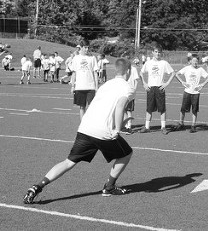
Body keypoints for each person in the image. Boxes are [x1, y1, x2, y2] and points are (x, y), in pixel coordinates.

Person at [23, 58, 135, 204]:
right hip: (102, 131)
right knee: (126, 154)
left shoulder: (105, 85)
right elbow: (120, 106)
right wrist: (118, 129)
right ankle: (109, 187)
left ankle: (36, 187)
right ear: (129, 71)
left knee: (69, 161)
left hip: (86, 126)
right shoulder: (127, 87)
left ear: (116, 70)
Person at [138, 47, 174, 135]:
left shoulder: (164, 63)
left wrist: (166, 83)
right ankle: (147, 127)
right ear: (153, 53)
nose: (158, 53)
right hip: (150, 88)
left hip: (159, 88)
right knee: (149, 108)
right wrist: (144, 83)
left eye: (159, 52)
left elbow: (173, 73)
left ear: (161, 53)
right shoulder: (148, 63)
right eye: (156, 52)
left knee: (162, 109)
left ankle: (163, 127)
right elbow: (141, 73)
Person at [175, 55, 208, 132]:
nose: (195, 62)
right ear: (190, 61)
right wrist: (182, 82)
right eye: (194, 61)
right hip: (187, 92)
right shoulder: (186, 68)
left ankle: (193, 125)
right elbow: (176, 74)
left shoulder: (200, 69)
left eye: (197, 61)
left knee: (194, 110)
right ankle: (181, 123)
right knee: (183, 109)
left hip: (196, 93)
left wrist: (202, 85)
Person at [71, 44, 98, 120]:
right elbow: (74, 73)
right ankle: (82, 125)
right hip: (80, 86)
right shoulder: (76, 58)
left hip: (90, 86)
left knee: (91, 107)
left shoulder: (92, 58)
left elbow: (95, 73)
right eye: (85, 47)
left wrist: (96, 87)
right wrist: (73, 86)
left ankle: (89, 124)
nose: (87, 49)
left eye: (88, 47)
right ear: (81, 48)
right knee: (82, 107)